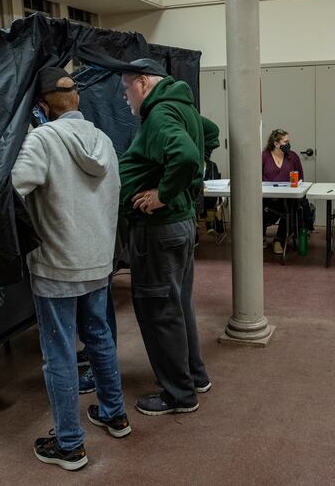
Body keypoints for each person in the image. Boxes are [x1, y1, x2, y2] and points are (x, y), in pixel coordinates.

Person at [12, 67, 130, 472]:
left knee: (59, 354)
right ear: (77, 99)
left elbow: (14, 191)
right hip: (97, 262)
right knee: (99, 337)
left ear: (42, 107)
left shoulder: (41, 139)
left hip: (56, 266)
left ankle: (69, 444)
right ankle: (115, 414)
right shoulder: (105, 141)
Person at [118, 58, 211, 416]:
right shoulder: (183, 107)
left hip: (159, 228)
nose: (125, 98)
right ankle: (195, 376)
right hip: (180, 225)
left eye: (126, 89)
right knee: (178, 305)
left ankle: (179, 394)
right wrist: (183, 188)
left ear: (142, 82)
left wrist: (163, 194)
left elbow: (186, 156)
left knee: (160, 312)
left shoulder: (159, 114)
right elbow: (211, 133)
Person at [262, 128, 304, 254]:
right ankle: (261, 237)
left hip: (287, 197)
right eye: (285, 142)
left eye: (288, 141)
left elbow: (301, 177)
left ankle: (278, 240)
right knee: (257, 207)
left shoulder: (293, 156)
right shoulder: (264, 156)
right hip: (266, 197)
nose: (288, 144)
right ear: (276, 143)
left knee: (291, 208)